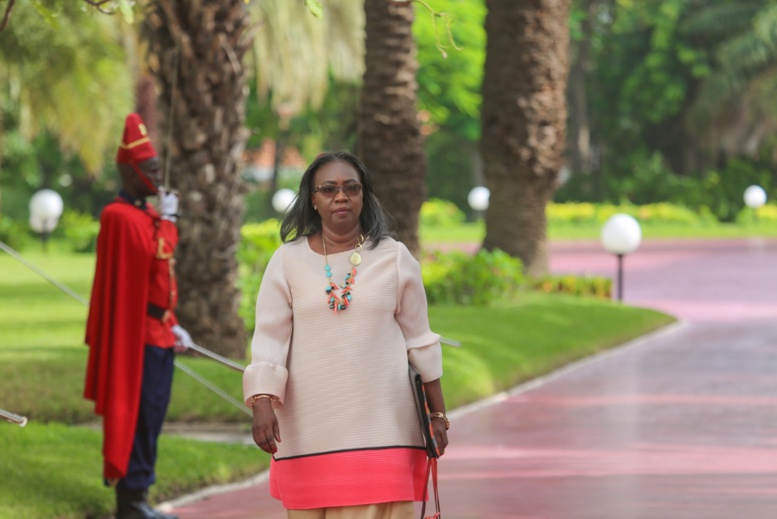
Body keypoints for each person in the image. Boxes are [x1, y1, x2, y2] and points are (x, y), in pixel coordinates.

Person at [243, 151, 449, 518]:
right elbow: (270, 339)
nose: (341, 197)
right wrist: (261, 400)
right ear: (313, 199)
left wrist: (439, 415)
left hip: (385, 426)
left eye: (351, 188)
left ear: (363, 196)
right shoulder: (287, 261)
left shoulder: (394, 257)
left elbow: (420, 341)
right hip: (308, 427)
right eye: (329, 189)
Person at [84, 113, 194, 519]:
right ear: (130, 172)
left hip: (157, 331)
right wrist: (167, 219)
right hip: (136, 338)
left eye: (158, 168)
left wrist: (171, 321)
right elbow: (156, 253)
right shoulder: (120, 216)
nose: (157, 177)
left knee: (151, 417)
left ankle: (140, 492)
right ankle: (130, 500)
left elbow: (157, 279)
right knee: (137, 414)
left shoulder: (144, 216)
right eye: (150, 170)